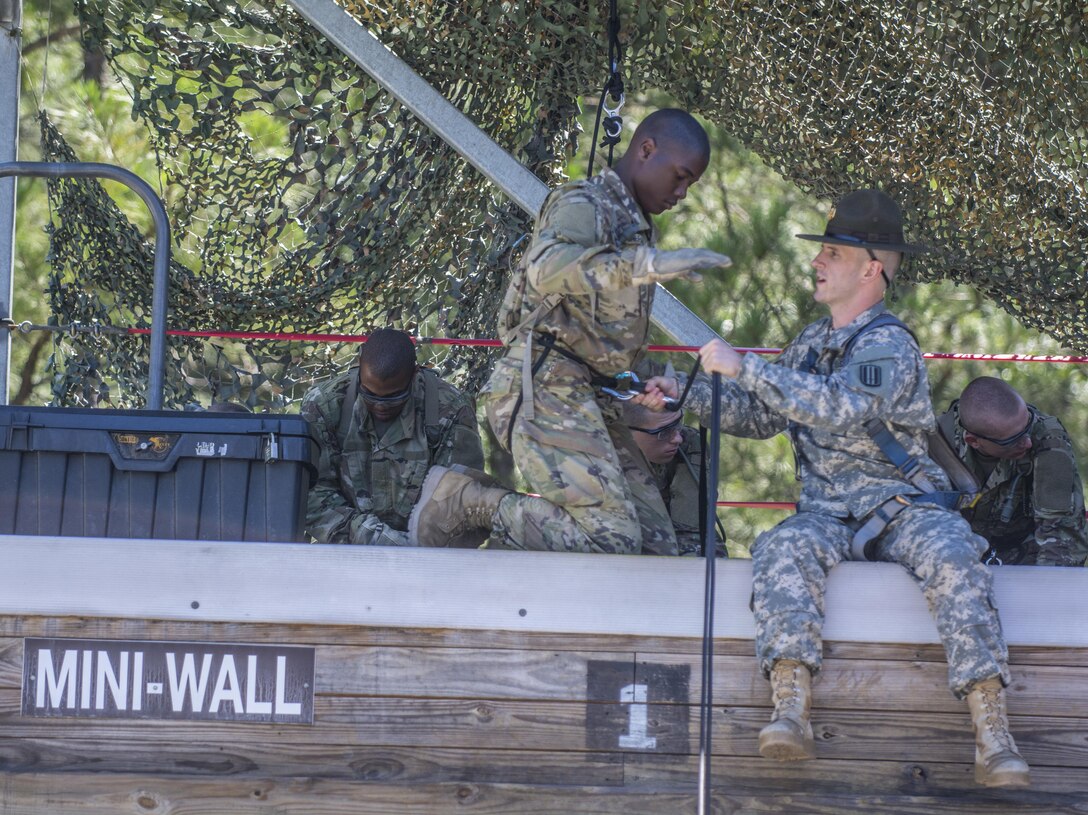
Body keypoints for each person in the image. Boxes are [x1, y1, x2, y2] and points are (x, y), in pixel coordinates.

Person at [641, 189, 1030, 787]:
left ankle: (993, 734)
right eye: (820, 250)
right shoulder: (810, 342)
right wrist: (683, 395)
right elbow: (761, 415)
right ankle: (789, 711)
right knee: (780, 548)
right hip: (826, 512)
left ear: (872, 268)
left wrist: (746, 365)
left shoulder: (888, 346)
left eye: (832, 252)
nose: (817, 262)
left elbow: (840, 405)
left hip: (898, 506)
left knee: (954, 557)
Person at [410, 109, 731, 555]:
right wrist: (648, 266)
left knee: (656, 547)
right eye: (679, 177)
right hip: (542, 386)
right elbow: (545, 269)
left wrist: (636, 388)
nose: (680, 193)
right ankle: (470, 503)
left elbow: (598, 335)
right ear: (646, 150)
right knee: (611, 539)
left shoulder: (633, 223)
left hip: (588, 395)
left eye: (689, 185)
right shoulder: (585, 204)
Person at [302, 328, 484, 546]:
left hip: (425, 557)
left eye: (394, 396)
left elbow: (462, 501)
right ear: (359, 367)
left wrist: (413, 550)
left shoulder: (450, 409)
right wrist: (372, 537)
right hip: (345, 550)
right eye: (369, 393)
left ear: (415, 374)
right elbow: (311, 495)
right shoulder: (325, 405)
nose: (380, 405)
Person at [936, 376, 1088, 566]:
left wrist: (1049, 590)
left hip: (1023, 554)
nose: (1028, 442)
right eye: (1013, 440)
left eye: (1027, 426)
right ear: (974, 441)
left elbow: (1062, 536)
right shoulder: (936, 443)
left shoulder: (1047, 438)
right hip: (954, 554)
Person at [620, 399, 725, 556]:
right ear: (624, 432)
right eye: (664, 432)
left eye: (678, 424)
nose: (677, 438)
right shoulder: (598, 460)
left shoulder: (688, 444)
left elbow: (694, 534)